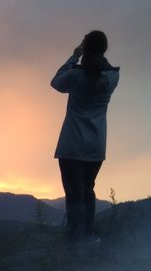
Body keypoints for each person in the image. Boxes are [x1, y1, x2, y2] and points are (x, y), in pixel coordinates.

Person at [51, 30, 119, 242]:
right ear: (104, 49)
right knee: (88, 191)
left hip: (72, 145)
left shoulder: (75, 75)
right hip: (96, 146)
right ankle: (88, 237)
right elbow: (101, 68)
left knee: (74, 196)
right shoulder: (113, 77)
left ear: (85, 48)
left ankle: (74, 240)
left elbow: (56, 81)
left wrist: (74, 56)